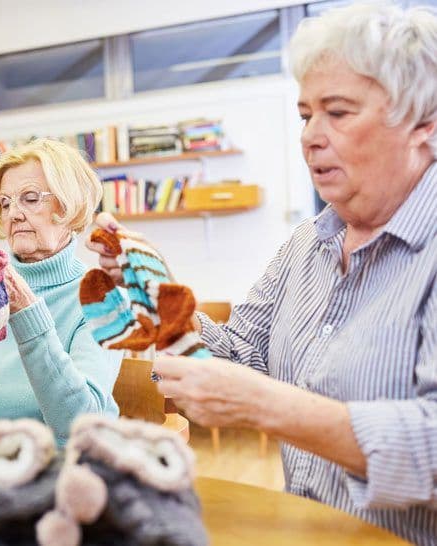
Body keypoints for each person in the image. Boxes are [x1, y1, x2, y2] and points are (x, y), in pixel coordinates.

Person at [88, 3, 436, 543]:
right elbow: (240, 352)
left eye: (338, 113)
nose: (310, 136)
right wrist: (154, 295)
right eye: (304, 115)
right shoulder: (306, 243)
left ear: (422, 125)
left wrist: (266, 405)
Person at [0, 138, 121, 446]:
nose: (13, 215)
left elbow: (79, 423)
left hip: (72, 468)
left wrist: (26, 311)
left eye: (30, 198)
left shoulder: (104, 297)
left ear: (69, 205)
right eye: (5, 203)